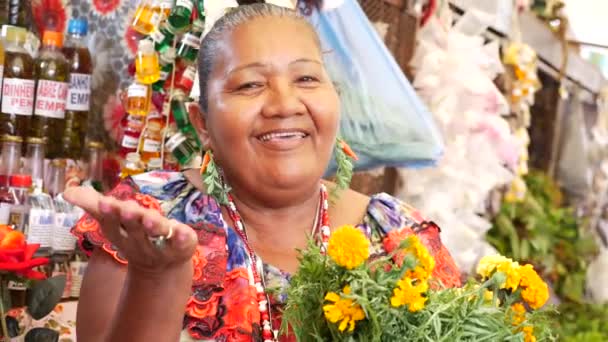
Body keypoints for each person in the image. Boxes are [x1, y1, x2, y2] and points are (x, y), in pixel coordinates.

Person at [65, 4, 461, 342]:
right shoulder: (150, 220)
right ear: (202, 123)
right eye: (250, 85)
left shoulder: (401, 242)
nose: (285, 104)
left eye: (306, 78)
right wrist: (155, 277)